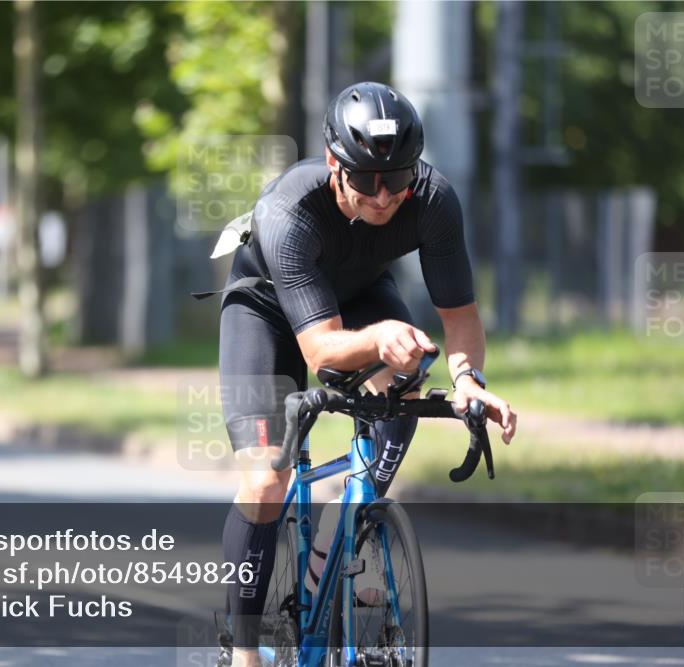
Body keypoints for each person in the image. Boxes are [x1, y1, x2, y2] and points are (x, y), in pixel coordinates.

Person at [212, 82, 518, 667]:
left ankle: (343, 540)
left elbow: (460, 317)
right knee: (265, 484)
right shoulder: (289, 210)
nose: (382, 198)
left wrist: (469, 381)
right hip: (267, 309)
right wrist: (379, 339)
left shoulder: (432, 199)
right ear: (333, 163)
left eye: (397, 180)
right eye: (366, 182)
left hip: (357, 295)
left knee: (403, 387)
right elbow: (322, 352)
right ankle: (244, 650)